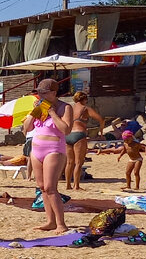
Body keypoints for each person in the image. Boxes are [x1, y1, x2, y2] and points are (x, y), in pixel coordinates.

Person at [23, 79, 74, 232]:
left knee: (51, 187)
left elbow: (66, 130)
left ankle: (61, 223)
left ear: (53, 92)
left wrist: (52, 112)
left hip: (54, 149)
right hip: (37, 148)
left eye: (44, 93)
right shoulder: (39, 107)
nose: (40, 95)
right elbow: (26, 129)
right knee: (42, 187)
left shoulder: (65, 107)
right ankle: (50, 221)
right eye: (39, 93)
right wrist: (34, 113)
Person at [66, 92, 104, 191]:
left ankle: (67, 185)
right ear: (85, 99)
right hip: (79, 134)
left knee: (69, 162)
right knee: (79, 162)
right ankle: (76, 186)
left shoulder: (70, 108)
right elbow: (100, 119)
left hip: (68, 134)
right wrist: (101, 132)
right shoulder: (85, 108)